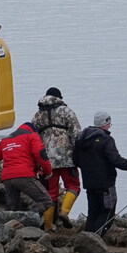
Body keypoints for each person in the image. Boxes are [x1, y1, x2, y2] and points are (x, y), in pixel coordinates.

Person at [72, 111, 127, 237]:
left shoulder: (81, 139)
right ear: (104, 124)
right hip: (105, 183)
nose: (110, 126)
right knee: (108, 211)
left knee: (93, 211)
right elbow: (115, 160)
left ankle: (86, 237)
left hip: (89, 182)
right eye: (109, 124)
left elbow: (76, 160)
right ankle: (94, 239)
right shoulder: (106, 140)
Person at [32, 87, 82, 230]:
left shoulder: (38, 115)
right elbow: (77, 135)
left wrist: (38, 160)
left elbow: (34, 138)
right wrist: (78, 154)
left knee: (51, 192)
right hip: (67, 158)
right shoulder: (67, 112)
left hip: (47, 160)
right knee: (73, 185)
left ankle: (48, 225)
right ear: (59, 98)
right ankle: (64, 212)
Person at [0, 122, 54, 216]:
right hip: (24, 176)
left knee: (12, 209)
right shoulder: (32, 136)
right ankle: (29, 217)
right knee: (46, 201)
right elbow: (40, 154)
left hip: (7, 179)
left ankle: (11, 227)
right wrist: (48, 171)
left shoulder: (5, 140)